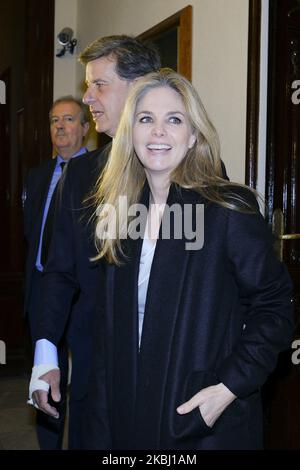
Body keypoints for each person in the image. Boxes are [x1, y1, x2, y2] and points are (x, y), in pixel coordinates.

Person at [85, 69, 294, 450]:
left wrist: (228, 389)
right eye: (146, 119)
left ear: (194, 134)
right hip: (127, 416)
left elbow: (276, 308)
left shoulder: (227, 209)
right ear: (131, 133)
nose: (158, 132)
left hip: (202, 424)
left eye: (174, 120)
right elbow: (108, 331)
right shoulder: (123, 214)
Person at [27, 35, 161, 449]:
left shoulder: (190, 171)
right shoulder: (80, 177)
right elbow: (60, 269)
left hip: (165, 378)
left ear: (139, 87)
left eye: (99, 85)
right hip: (93, 378)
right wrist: (46, 354)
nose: (88, 97)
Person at [24, 96, 90, 449]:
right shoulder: (36, 176)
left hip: (82, 295)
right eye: (54, 120)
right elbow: (31, 232)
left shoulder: (97, 174)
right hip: (42, 289)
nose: (60, 127)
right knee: (46, 375)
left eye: (68, 119)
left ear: (85, 127)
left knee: (85, 380)